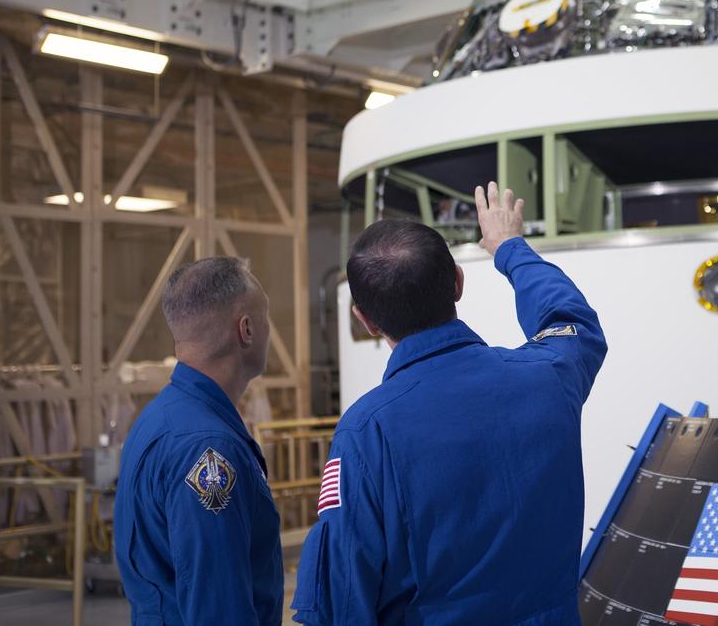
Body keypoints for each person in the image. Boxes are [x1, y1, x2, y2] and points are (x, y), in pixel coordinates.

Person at [292, 182, 608, 625]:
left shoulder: (367, 430)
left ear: (364, 320)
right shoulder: (548, 377)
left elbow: (343, 598)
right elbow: (573, 323)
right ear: (457, 282)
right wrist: (509, 248)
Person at [114, 256, 283, 625]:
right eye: (265, 317)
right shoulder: (207, 447)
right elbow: (219, 609)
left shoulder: (162, 418)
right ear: (247, 330)